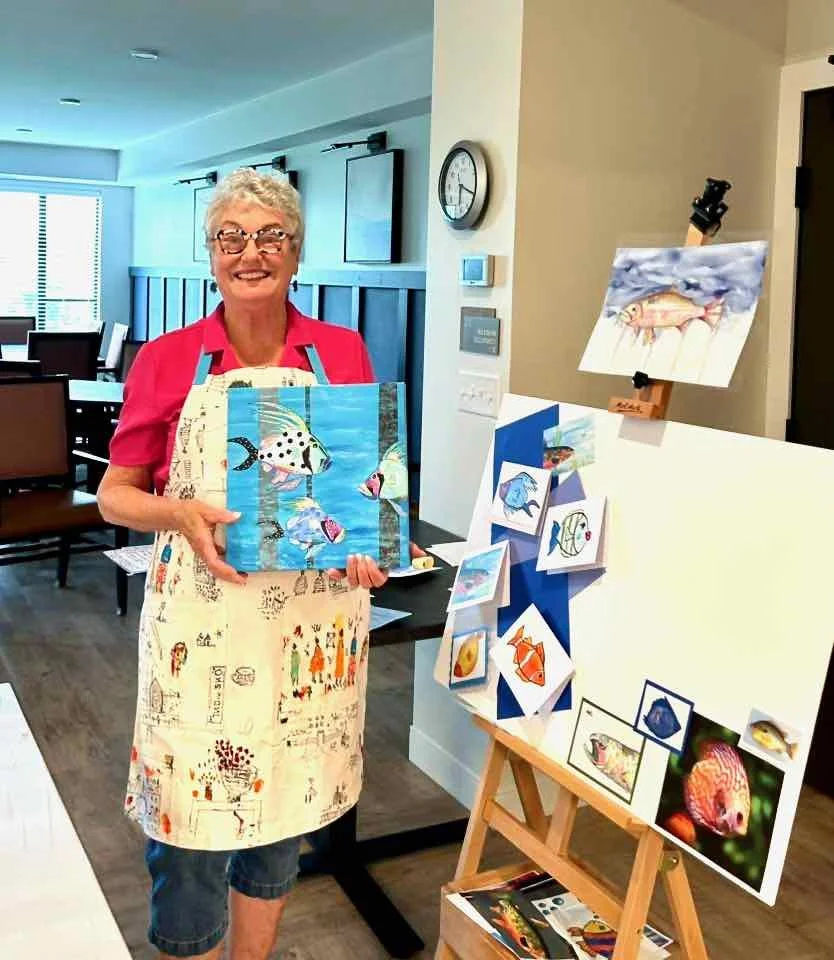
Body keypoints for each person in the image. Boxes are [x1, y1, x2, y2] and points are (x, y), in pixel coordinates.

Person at [98, 168, 418, 960]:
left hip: (308, 635)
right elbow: (113, 495)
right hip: (203, 630)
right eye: (232, 237)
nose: (251, 253)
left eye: (270, 236)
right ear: (211, 252)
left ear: (296, 252)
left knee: (280, 823)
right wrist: (178, 512)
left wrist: (373, 548)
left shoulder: (341, 351)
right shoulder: (169, 359)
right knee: (190, 835)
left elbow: (367, 485)